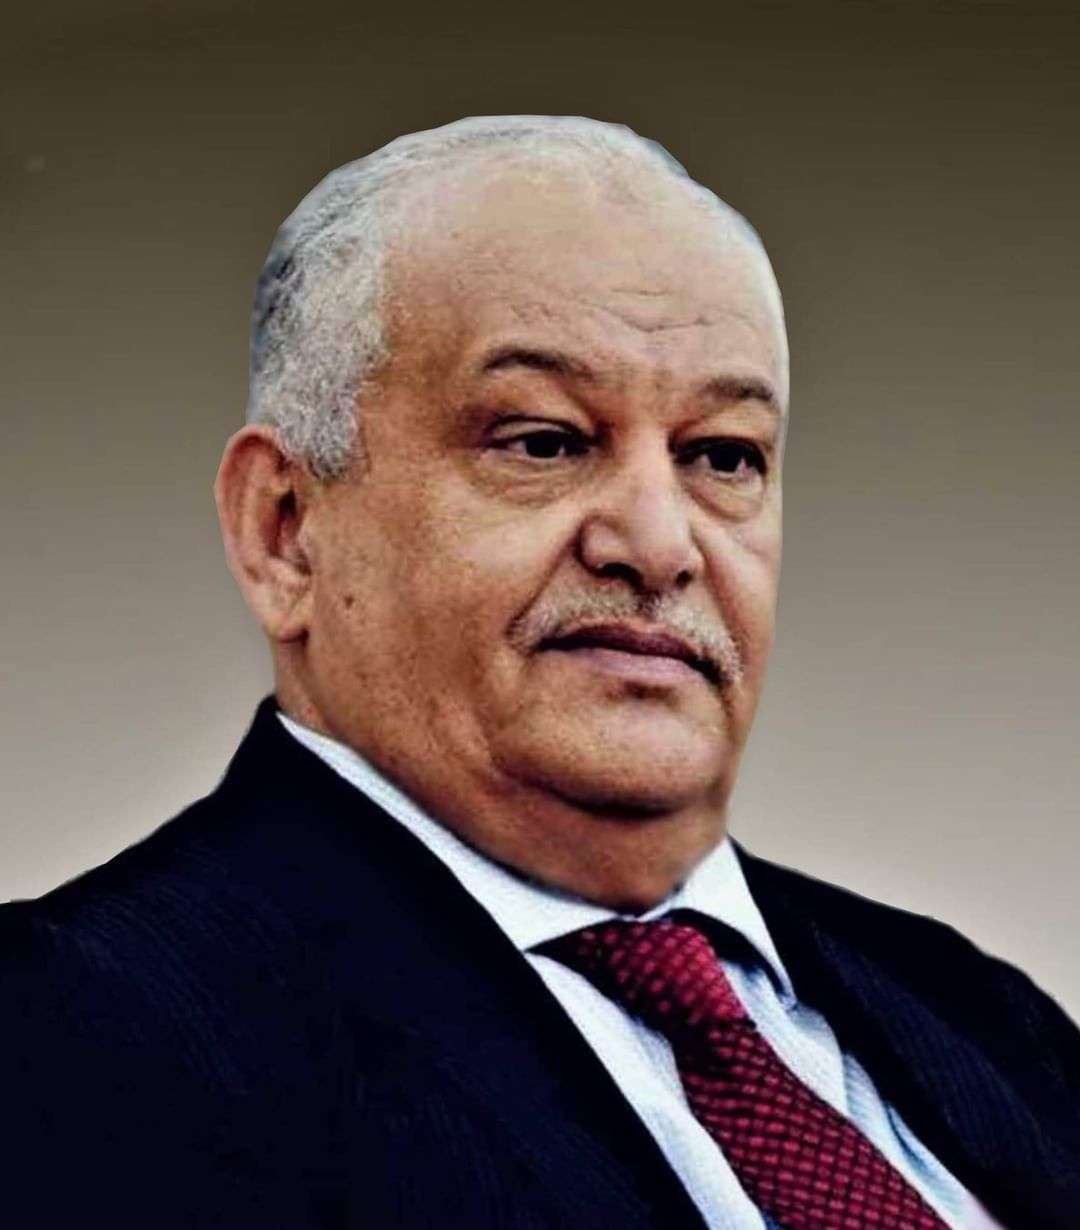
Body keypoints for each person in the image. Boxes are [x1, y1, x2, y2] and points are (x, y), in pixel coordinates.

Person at [3, 116, 1077, 1230]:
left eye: (723, 456)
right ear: (286, 531)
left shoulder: (985, 1017)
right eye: (543, 440)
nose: (659, 544)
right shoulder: (79, 1029)